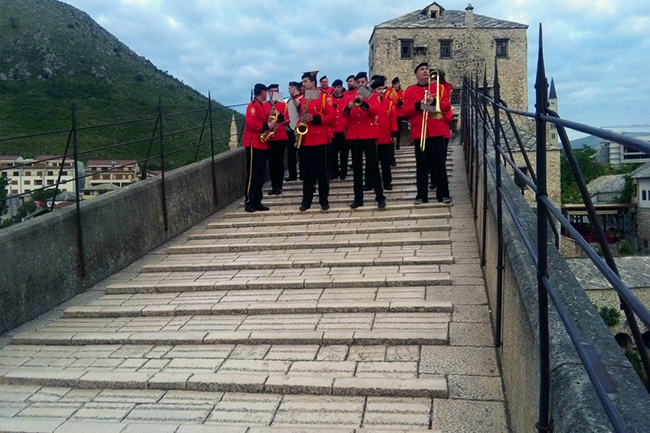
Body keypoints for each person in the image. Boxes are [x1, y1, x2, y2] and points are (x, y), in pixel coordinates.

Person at [402, 62, 452, 204]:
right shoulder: (409, 91)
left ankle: (443, 193)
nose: (425, 71)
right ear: (416, 74)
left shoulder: (439, 88)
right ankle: (421, 195)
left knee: (439, 163)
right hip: (420, 131)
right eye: (421, 69)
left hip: (436, 128)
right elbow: (405, 111)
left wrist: (434, 101)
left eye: (426, 69)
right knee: (422, 164)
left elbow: (447, 106)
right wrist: (417, 105)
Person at [343, 71, 385, 209]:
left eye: (363, 82)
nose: (360, 84)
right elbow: (343, 115)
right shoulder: (349, 97)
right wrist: (348, 107)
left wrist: (362, 103)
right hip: (354, 135)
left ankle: (380, 196)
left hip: (368, 134)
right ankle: (358, 198)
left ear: (367, 83)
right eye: (358, 82)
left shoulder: (373, 96)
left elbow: (375, 111)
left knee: (373, 166)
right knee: (357, 168)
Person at [297, 71, 335, 211]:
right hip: (306, 139)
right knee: (307, 172)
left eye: (305, 81)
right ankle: (306, 200)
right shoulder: (302, 99)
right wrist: (298, 127)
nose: (303, 84)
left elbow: (331, 117)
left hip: (320, 139)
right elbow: (301, 116)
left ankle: (323, 200)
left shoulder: (324, 97)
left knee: (322, 171)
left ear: (313, 83)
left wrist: (314, 119)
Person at [242, 83, 273, 212]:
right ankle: (249, 201)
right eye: (266, 92)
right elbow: (250, 122)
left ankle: (257, 201)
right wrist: (266, 126)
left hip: (261, 143)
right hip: (253, 143)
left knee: (260, 175)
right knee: (253, 174)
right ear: (263, 92)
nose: (267, 95)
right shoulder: (253, 105)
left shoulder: (260, 105)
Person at [372, 76, 398, 190]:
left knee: (385, 162)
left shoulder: (389, 103)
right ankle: (372, 182)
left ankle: (387, 182)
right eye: (378, 89)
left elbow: (393, 119)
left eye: (382, 89)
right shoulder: (369, 102)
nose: (381, 91)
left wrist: (394, 133)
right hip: (372, 136)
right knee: (372, 162)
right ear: (373, 90)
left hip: (385, 135)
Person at [264, 84, 289, 195]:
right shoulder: (264, 105)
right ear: (268, 92)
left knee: (279, 162)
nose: (273, 93)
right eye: (271, 91)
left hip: (280, 136)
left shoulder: (283, 105)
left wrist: (280, 116)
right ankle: (273, 186)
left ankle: (279, 186)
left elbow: (287, 121)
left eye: (276, 91)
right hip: (269, 137)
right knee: (271, 162)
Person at [329, 79, 349, 180]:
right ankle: (334, 172)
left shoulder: (346, 99)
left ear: (341, 88)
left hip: (343, 130)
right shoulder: (329, 99)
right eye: (335, 87)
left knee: (344, 153)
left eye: (338, 87)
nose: (336, 89)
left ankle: (343, 171)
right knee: (333, 153)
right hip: (333, 130)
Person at [285, 81, 302, 182]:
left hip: (300, 128)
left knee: (302, 153)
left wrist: (299, 106)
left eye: (290, 88)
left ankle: (303, 173)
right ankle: (292, 174)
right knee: (291, 153)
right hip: (291, 129)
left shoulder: (302, 99)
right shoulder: (289, 101)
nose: (289, 90)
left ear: (294, 88)